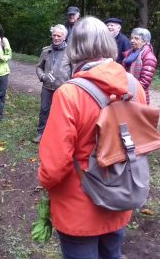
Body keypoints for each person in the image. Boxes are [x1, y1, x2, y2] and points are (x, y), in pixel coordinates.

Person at [38, 17, 147, 259]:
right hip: (120, 197)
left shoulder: (69, 93)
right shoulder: (134, 87)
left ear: (75, 48)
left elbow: (54, 166)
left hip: (78, 208)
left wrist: (44, 181)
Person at [33, 24, 71, 143]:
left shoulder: (70, 52)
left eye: (59, 36)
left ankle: (58, 136)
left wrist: (71, 85)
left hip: (63, 88)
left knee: (60, 112)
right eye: (54, 35)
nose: (56, 38)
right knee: (44, 110)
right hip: (47, 87)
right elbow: (39, 67)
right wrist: (42, 76)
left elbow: (75, 70)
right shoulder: (46, 51)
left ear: (64, 37)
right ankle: (41, 133)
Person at [123, 27, 157, 105]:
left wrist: (129, 89)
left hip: (138, 96)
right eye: (131, 38)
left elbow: (144, 83)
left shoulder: (149, 58)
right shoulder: (129, 53)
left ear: (145, 41)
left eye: (136, 38)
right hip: (127, 92)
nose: (132, 41)